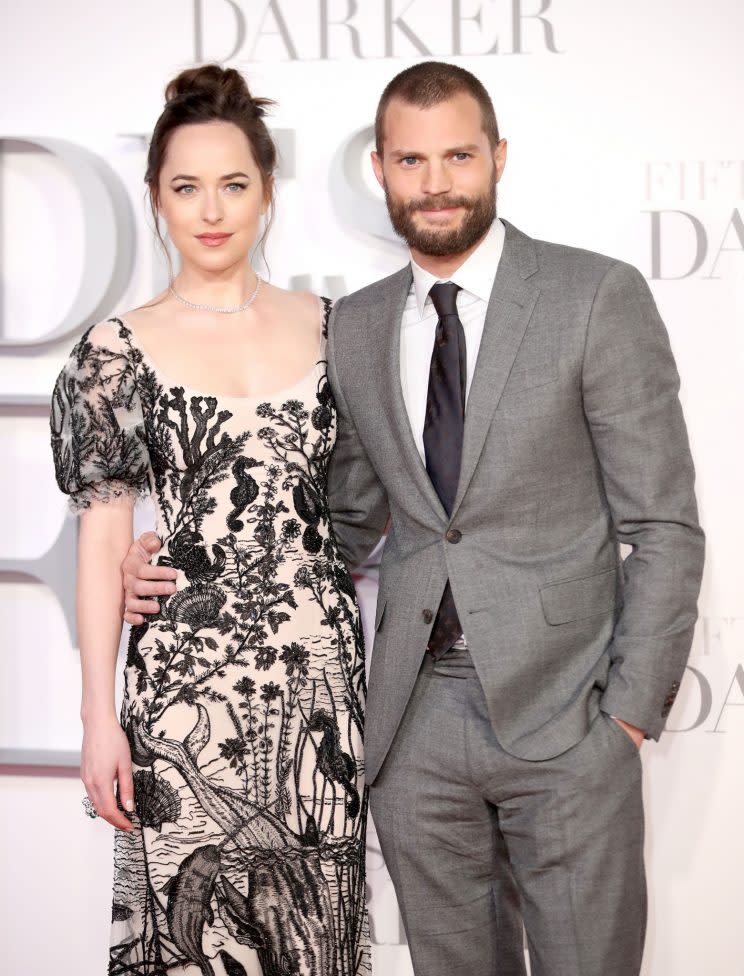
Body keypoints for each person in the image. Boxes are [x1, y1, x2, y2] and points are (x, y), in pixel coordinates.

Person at [123, 62, 706, 976]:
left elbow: (665, 526)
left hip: (568, 716)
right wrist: (189, 570)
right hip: (415, 723)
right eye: (410, 160)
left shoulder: (594, 296)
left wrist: (625, 718)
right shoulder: (352, 327)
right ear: (382, 172)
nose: (435, 182)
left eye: (457, 156)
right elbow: (341, 523)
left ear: (498, 158)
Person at [50, 64, 369, 976]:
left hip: (316, 702)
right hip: (182, 703)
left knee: (310, 938)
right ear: (156, 197)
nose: (211, 209)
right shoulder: (114, 350)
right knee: (196, 944)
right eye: (186, 187)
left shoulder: (334, 328)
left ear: (268, 192)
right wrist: (97, 719)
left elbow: (379, 496)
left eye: (234, 184)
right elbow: (104, 537)